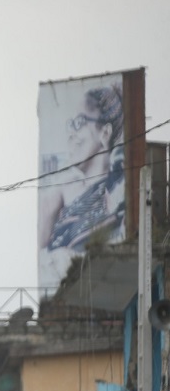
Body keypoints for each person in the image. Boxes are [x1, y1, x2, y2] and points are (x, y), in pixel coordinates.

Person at [38, 83, 126, 285]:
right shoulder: (61, 191)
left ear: (104, 133)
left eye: (80, 123)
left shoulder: (118, 188)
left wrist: (73, 259)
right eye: (71, 124)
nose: (72, 134)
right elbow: (37, 251)